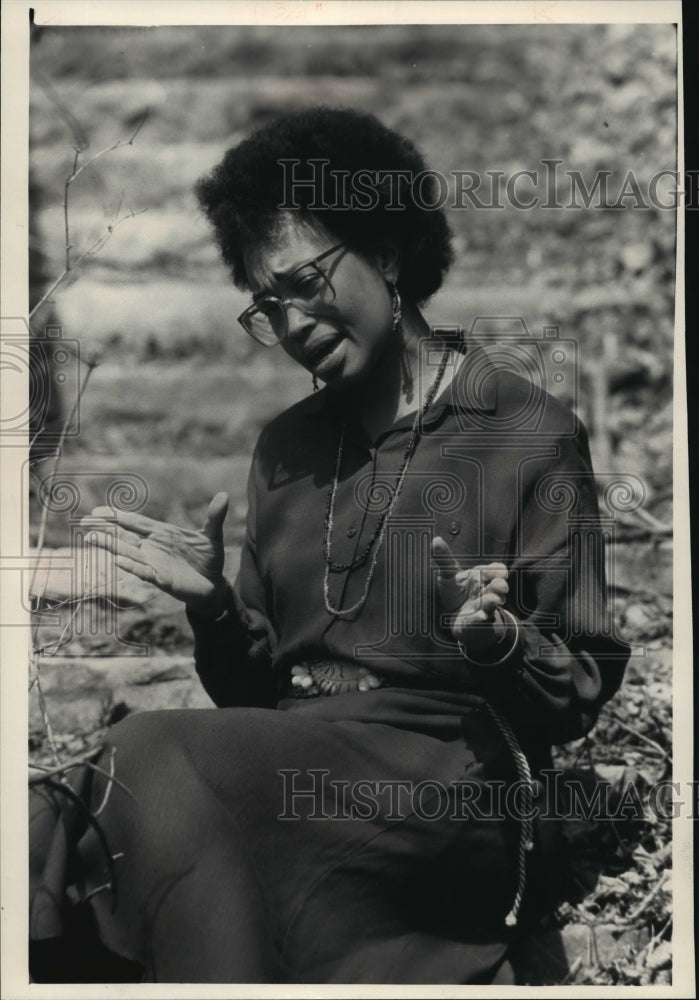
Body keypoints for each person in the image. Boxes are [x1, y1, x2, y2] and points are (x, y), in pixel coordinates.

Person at [29, 107, 630, 984]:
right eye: (265, 305)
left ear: (384, 252)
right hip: (288, 773)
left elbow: (578, 686)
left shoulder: (524, 430)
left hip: (451, 784)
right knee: (100, 805)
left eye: (306, 280)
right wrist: (214, 610)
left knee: (144, 760)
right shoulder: (286, 447)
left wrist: (499, 642)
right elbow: (256, 697)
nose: (291, 320)